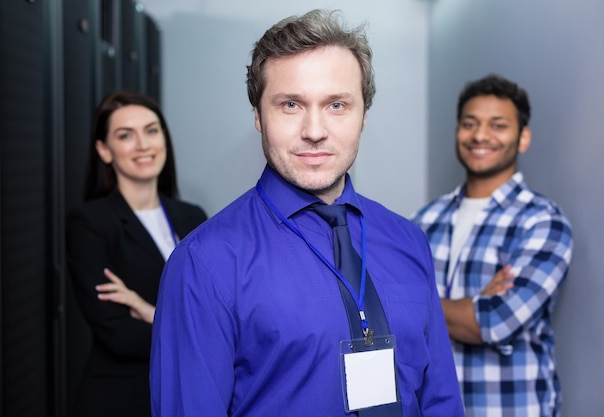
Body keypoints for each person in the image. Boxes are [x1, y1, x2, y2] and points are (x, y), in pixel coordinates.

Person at [150, 9, 463, 417]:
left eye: (336, 104)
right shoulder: (204, 263)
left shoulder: (407, 241)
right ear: (258, 117)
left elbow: (440, 401)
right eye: (291, 105)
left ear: (363, 115)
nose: (314, 130)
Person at [412, 74, 573, 417]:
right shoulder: (421, 222)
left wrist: (414, 300)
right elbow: (392, 321)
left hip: (510, 408)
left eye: (497, 125)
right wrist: (466, 306)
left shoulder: (543, 222)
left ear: (523, 137)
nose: (480, 135)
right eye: (469, 124)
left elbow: (492, 322)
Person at [66, 90, 207, 417]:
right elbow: (120, 335)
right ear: (104, 150)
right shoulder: (90, 223)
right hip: (125, 398)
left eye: (151, 130)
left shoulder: (193, 217)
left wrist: (148, 310)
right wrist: (193, 330)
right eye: (125, 135)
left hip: (192, 394)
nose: (143, 145)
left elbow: (220, 312)